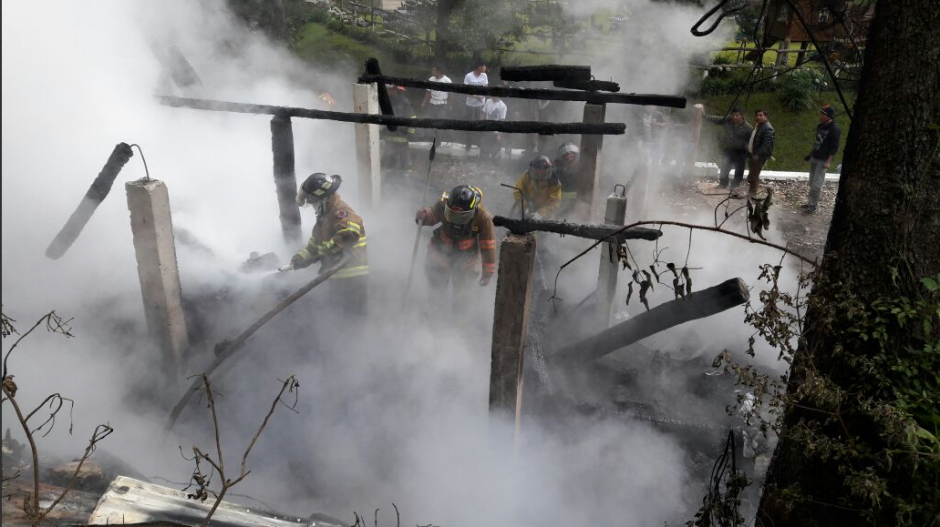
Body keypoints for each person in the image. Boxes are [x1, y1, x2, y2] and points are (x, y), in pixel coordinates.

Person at [282, 173, 368, 316]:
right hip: (336, 275)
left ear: (324, 197)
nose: (312, 205)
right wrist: (300, 258)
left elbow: (348, 234)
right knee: (338, 320)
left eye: (312, 201)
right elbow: (314, 245)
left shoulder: (341, 211)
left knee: (352, 320)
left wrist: (320, 255)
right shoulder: (325, 216)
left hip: (352, 278)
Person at [415, 185, 496, 312]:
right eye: (452, 214)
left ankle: (459, 324)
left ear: (472, 210)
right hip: (440, 254)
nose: (456, 219)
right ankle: (434, 316)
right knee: (436, 286)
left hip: (466, 260)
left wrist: (487, 274)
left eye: (461, 216)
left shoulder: (483, 217)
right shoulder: (444, 204)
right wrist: (423, 216)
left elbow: (488, 247)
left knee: (463, 296)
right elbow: (432, 215)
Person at [801, 105, 842, 214]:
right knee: (811, 182)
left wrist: (829, 161)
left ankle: (813, 206)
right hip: (815, 157)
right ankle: (810, 203)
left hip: (823, 160)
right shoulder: (820, 126)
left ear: (828, 116)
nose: (820, 116)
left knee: (817, 184)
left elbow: (835, 147)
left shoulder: (835, 129)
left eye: (823, 114)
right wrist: (810, 154)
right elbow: (817, 143)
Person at [703, 106, 753, 189]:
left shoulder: (748, 128)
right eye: (733, 115)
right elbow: (716, 119)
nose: (734, 117)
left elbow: (752, 141)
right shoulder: (727, 120)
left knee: (739, 171)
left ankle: (734, 186)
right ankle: (723, 184)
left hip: (741, 152)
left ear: (741, 116)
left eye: (737, 115)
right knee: (724, 168)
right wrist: (704, 116)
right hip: (729, 150)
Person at [513, 155, 562, 220]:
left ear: (549, 171)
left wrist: (541, 214)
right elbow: (517, 191)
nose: (540, 175)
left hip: (545, 213)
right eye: (537, 172)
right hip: (526, 207)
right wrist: (525, 207)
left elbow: (554, 203)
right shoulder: (526, 176)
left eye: (543, 172)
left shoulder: (555, 184)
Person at [381, 85, 416, 173]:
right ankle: (389, 171)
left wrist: (411, 132)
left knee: (404, 156)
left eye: (390, 90)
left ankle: (405, 172)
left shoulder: (404, 102)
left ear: (395, 91)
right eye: (388, 90)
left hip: (402, 135)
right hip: (389, 135)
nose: (388, 91)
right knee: (389, 156)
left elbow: (412, 117)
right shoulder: (387, 101)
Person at [746, 109, 775, 196]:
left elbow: (765, 145)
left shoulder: (768, 129)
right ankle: (751, 193)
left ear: (766, 116)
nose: (758, 117)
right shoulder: (758, 125)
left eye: (761, 115)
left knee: (753, 175)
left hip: (759, 156)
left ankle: (752, 195)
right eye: (757, 115)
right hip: (752, 154)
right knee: (752, 174)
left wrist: (757, 154)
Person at [462, 59, 488, 151]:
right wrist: (477, 97)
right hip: (470, 104)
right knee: (469, 124)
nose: (485, 68)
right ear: (479, 67)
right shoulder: (469, 76)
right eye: (484, 66)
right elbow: (466, 90)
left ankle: (480, 143)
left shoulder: (484, 75)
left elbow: (485, 87)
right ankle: (468, 144)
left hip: (481, 105)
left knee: (480, 124)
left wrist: (481, 96)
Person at [479, 95, 507, 168]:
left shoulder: (502, 106)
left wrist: (499, 134)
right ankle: (483, 165)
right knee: (485, 148)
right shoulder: (488, 101)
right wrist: (481, 124)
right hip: (487, 129)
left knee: (495, 151)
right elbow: (483, 112)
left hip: (496, 132)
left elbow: (502, 121)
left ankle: (495, 166)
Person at [554, 142, 581, 217]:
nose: (569, 157)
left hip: (580, 203)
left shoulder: (585, 167)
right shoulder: (557, 170)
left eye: (572, 154)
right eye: (565, 156)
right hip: (561, 204)